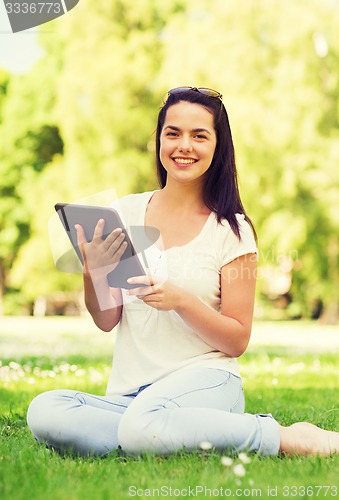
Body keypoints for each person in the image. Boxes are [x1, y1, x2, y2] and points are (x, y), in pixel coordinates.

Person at [27, 86, 339, 458]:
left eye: (199, 135)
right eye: (172, 133)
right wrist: (92, 272)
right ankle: (160, 434)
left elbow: (237, 340)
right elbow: (107, 319)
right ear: (158, 140)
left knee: (141, 426)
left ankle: (280, 436)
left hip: (207, 381)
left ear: (217, 146)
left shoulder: (232, 231)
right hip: (133, 394)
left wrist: (182, 301)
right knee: (45, 410)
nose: (183, 146)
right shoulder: (124, 213)